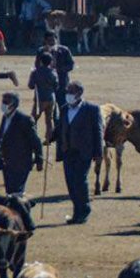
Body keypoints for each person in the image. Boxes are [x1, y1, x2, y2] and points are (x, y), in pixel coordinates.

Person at [56, 81, 103, 224]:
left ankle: (84, 210)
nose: (68, 94)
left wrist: (98, 152)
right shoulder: (64, 109)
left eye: (71, 91)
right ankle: (77, 212)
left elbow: (98, 131)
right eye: (67, 91)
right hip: (67, 151)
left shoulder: (92, 109)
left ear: (79, 93)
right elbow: (61, 128)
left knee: (80, 181)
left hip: (84, 152)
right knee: (71, 183)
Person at [0, 91, 43, 195]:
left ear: (14, 104)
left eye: (6, 102)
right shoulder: (5, 117)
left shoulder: (25, 120)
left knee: (17, 192)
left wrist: (39, 159)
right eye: (3, 101)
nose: (3, 104)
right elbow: (1, 137)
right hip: (7, 162)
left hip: (21, 162)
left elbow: (35, 141)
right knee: (9, 192)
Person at [38, 31, 76, 109]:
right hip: (47, 85)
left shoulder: (64, 50)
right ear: (45, 41)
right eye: (49, 40)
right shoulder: (41, 51)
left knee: (63, 105)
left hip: (62, 82)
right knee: (51, 109)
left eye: (53, 40)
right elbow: (37, 66)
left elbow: (71, 65)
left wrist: (59, 70)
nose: (52, 42)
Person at [30, 52, 59, 143]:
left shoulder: (36, 72)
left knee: (33, 119)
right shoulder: (53, 72)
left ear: (41, 61)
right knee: (49, 119)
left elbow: (30, 85)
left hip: (40, 98)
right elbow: (56, 85)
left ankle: (33, 138)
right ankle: (48, 138)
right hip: (51, 97)